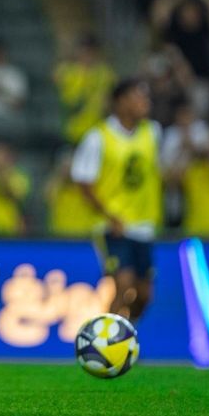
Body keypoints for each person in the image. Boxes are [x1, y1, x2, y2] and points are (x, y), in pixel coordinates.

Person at [69, 78, 162, 323]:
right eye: (138, 96)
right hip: (113, 225)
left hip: (145, 224)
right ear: (121, 102)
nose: (145, 102)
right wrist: (109, 216)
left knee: (144, 294)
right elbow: (83, 182)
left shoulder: (152, 132)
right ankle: (103, 344)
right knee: (123, 285)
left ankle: (124, 337)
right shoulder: (98, 137)